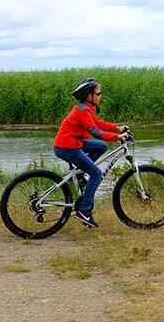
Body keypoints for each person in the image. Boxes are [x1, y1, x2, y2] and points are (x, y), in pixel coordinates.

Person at [53, 77, 129, 228]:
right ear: (89, 96)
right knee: (95, 173)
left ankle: (80, 172)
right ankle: (84, 211)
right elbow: (96, 131)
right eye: (98, 94)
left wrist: (117, 127)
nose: (101, 96)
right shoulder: (83, 110)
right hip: (68, 147)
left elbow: (97, 124)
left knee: (101, 147)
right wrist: (117, 137)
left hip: (73, 142)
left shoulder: (84, 108)